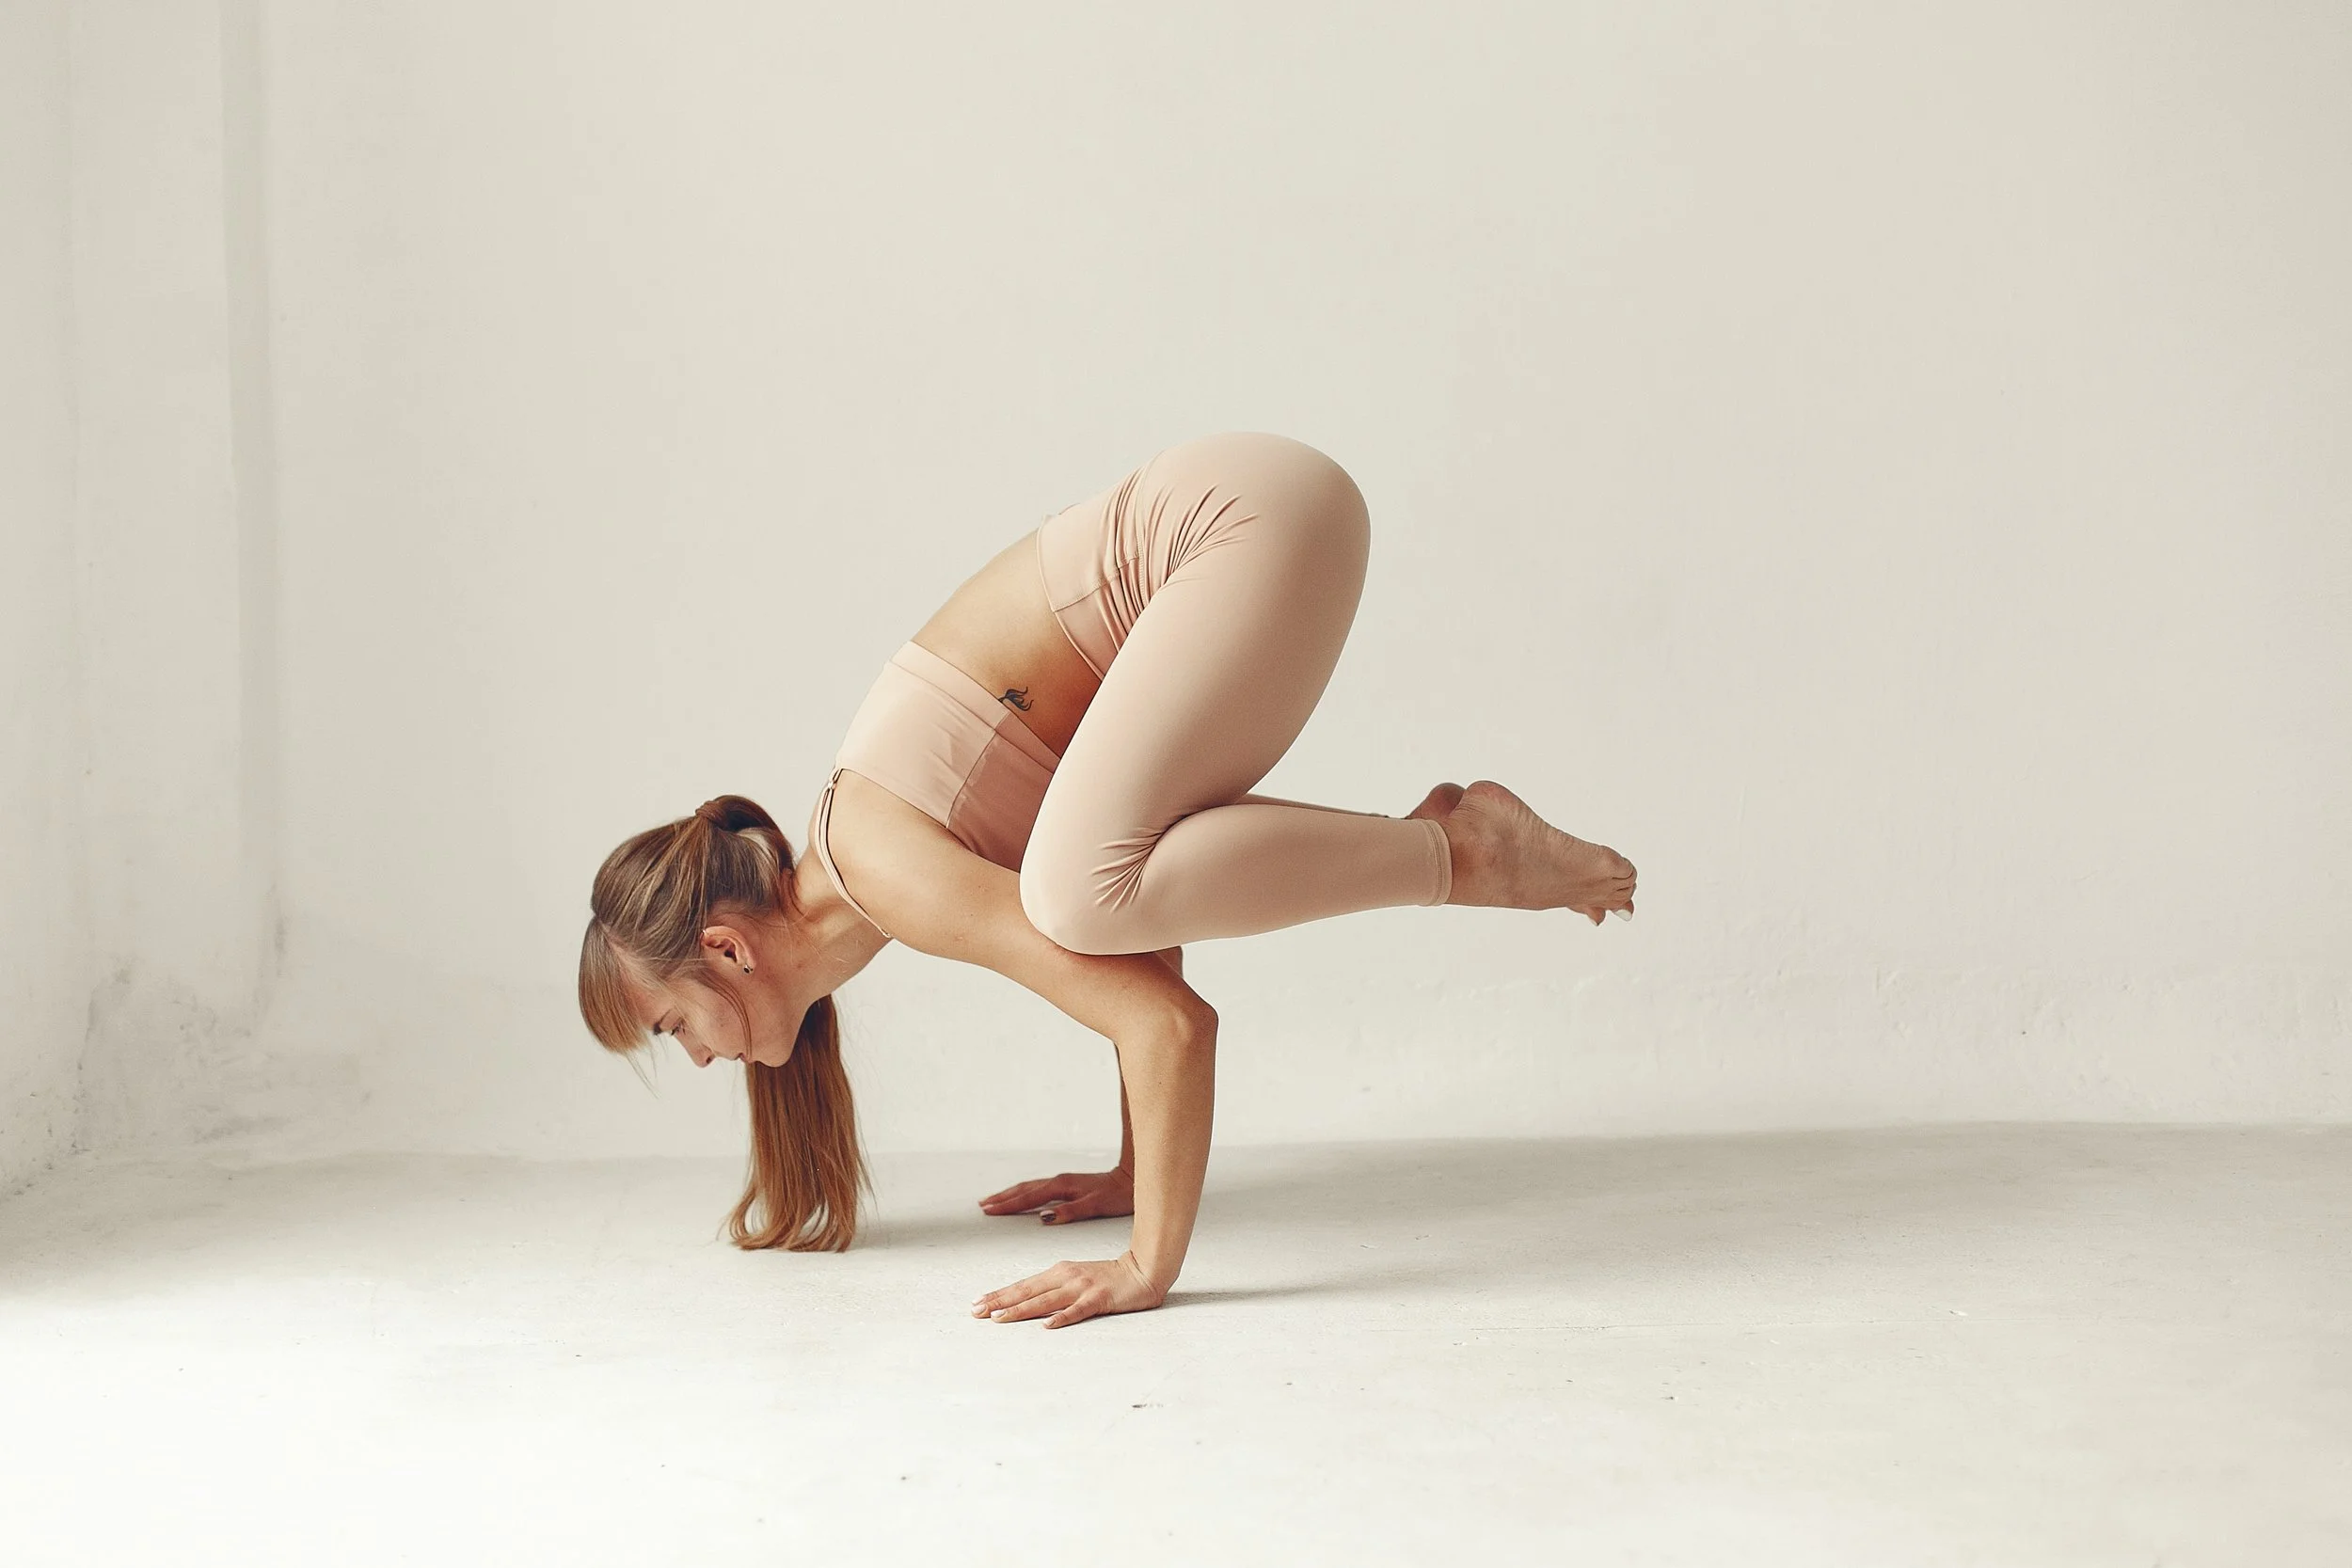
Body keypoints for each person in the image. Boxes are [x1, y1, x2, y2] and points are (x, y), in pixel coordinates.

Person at [576, 431, 1637, 1329]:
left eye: (674, 1027)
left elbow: (1166, 1022)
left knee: (1075, 890)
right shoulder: (872, 852)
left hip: (1240, 526)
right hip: (1259, 514)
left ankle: (1463, 853)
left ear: (724, 947)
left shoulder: (879, 866)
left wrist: (1146, 1263)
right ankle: (1453, 847)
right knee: (1089, 882)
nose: (703, 1057)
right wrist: (1135, 1172)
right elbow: (1139, 943)